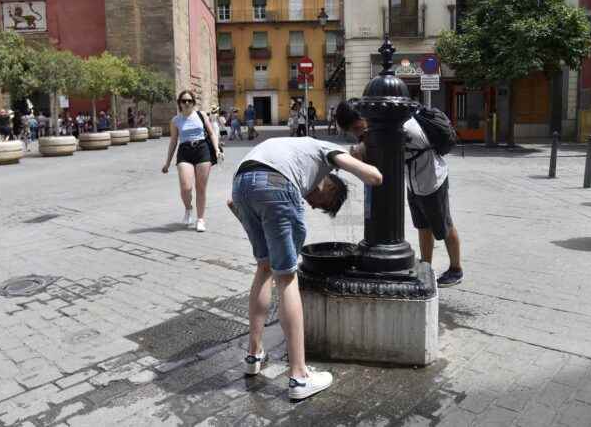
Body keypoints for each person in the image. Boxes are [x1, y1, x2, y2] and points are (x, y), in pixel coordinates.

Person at [230, 136, 382, 400]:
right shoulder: (325, 149)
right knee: (287, 279)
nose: (311, 205)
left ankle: (253, 356)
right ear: (330, 186)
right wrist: (377, 172)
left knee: (264, 268)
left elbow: (233, 204)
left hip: (241, 183)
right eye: (321, 203)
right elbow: (373, 177)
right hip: (276, 184)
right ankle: (299, 377)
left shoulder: (297, 150)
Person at [335, 100, 464, 287]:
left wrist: (359, 152)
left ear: (364, 117)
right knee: (423, 225)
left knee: (444, 225)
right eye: (352, 131)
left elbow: (380, 154)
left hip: (431, 180)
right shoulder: (381, 125)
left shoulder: (398, 126)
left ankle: (456, 269)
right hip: (413, 182)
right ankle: (426, 266)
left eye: (357, 127)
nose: (357, 133)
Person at [162, 90, 222, 232]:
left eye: (189, 100)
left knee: (201, 188)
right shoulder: (176, 120)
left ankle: (200, 219)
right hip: (185, 151)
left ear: (193, 102)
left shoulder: (201, 115)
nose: (187, 103)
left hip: (202, 150)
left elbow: (212, 133)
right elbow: (173, 141)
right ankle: (188, 208)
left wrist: (217, 149)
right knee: (186, 187)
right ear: (180, 104)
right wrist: (167, 162)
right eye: (184, 101)